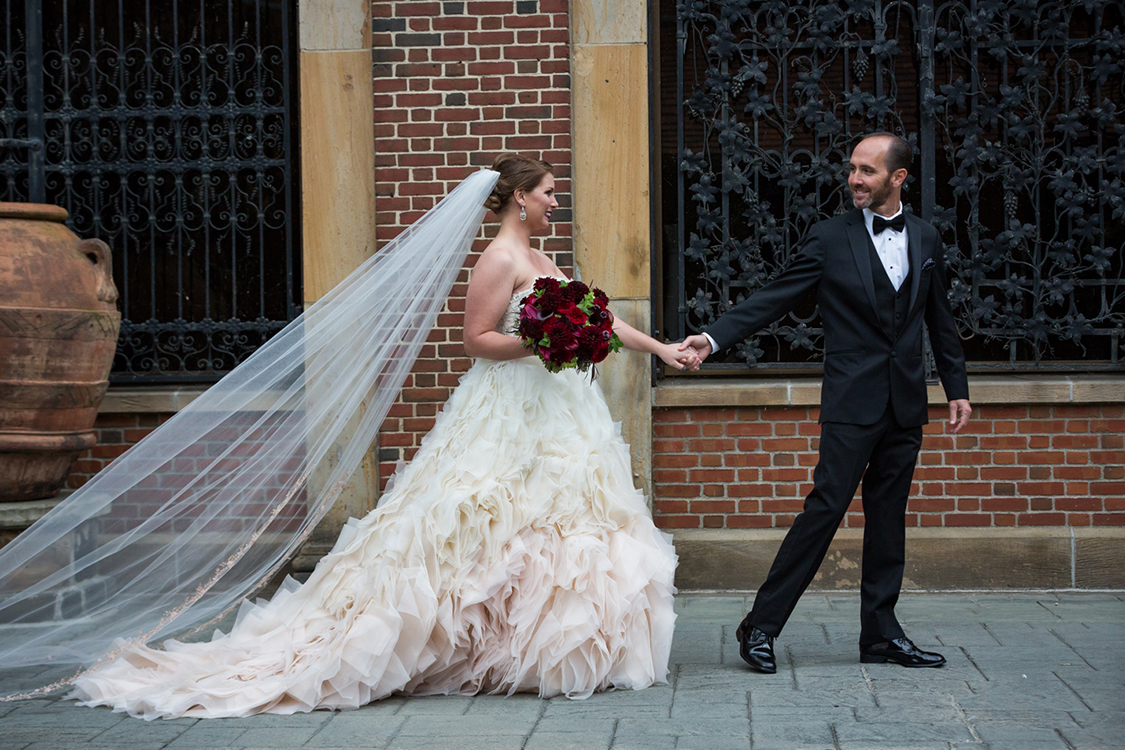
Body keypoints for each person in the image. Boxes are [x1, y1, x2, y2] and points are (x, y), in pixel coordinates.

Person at [68, 154, 694, 718]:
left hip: (561, 410)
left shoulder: (540, 259)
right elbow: (475, 339)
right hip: (509, 407)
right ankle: (444, 643)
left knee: (559, 522)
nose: (556, 202)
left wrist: (659, 349)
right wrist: (538, 344)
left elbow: (598, 320)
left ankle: (530, 646)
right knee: (477, 518)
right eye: (550, 192)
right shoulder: (499, 259)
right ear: (520, 198)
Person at [680, 133, 971, 673]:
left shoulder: (927, 238)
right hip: (851, 400)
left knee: (889, 520)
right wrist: (713, 339)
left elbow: (940, 318)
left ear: (897, 178)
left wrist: (956, 388)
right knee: (825, 510)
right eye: (853, 169)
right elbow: (775, 296)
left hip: (905, 403)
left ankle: (881, 634)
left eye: (866, 171)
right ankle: (761, 626)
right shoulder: (830, 237)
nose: (854, 179)